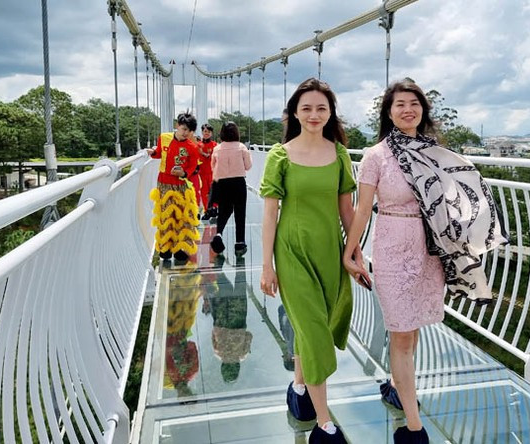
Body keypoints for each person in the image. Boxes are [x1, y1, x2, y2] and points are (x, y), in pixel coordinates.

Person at [343, 80, 507, 444]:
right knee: (401, 335)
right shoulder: (376, 156)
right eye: (399, 104)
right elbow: (362, 209)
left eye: (414, 104)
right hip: (392, 250)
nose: (407, 110)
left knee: (411, 333)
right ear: (388, 112)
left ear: (423, 111)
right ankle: (415, 429)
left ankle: (395, 387)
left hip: (430, 251)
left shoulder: (434, 153)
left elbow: (463, 194)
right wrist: (350, 249)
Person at [259, 78, 358, 444]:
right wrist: (266, 265)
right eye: (307, 108)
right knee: (315, 332)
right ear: (294, 113)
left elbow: (346, 211)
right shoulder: (279, 155)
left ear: (330, 112)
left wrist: (355, 251)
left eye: (321, 108)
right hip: (291, 252)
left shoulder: (341, 154)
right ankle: (324, 425)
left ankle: (298, 390)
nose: (314, 115)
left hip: (329, 251)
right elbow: (270, 214)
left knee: (315, 323)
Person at [147, 112, 201, 266]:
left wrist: (184, 173)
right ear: (177, 125)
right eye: (183, 129)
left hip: (181, 185)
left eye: (189, 131)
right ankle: (165, 248)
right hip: (163, 183)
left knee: (181, 217)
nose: (186, 133)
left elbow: (194, 166)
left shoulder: (192, 146)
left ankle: (180, 249)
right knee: (165, 215)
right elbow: (159, 153)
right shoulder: (164, 137)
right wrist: (153, 153)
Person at [209, 121, 252, 255]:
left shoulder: (217, 148)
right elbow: (248, 166)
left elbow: (212, 167)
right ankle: (239, 243)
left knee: (223, 212)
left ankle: (219, 234)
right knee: (240, 213)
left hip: (222, 184)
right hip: (238, 183)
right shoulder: (241, 147)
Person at [199, 123, 218, 219]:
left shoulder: (215, 145)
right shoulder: (198, 145)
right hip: (201, 173)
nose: (206, 133)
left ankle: (214, 209)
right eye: (205, 131)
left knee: (213, 191)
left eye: (209, 132)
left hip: (212, 172)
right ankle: (207, 211)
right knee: (204, 192)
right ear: (202, 132)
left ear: (211, 133)